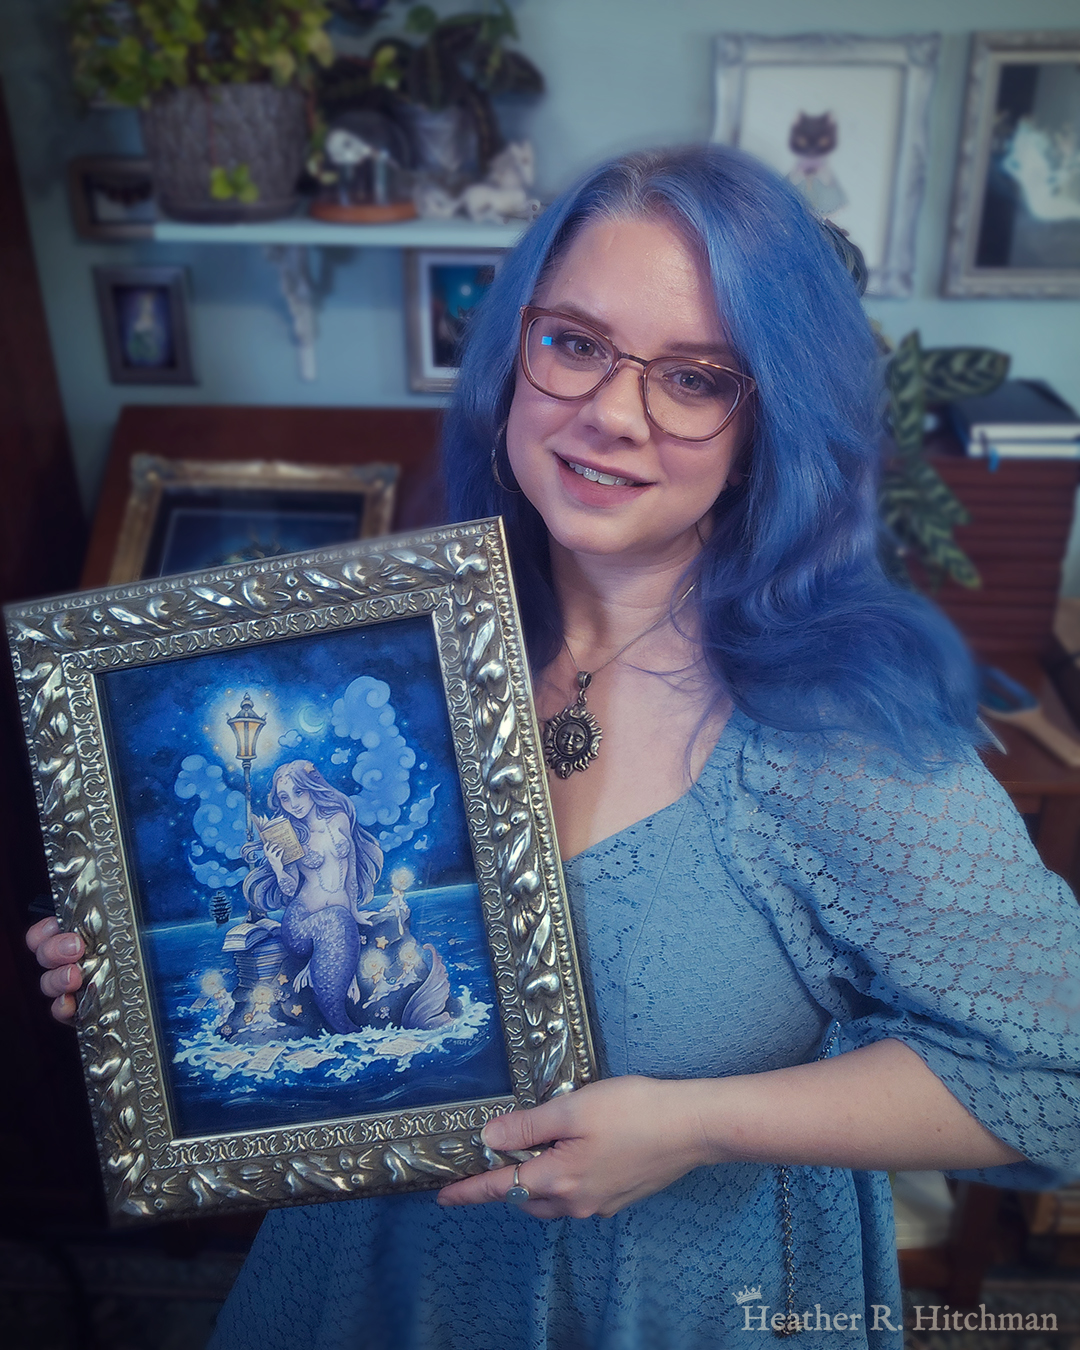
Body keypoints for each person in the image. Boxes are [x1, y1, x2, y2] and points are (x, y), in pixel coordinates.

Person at [28, 145, 1080, 1349]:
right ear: (514, 356)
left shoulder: (835, 735)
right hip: (360, 1285)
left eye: (693, 378)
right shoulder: (401, 652)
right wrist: (146, 983)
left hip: (659, 1307)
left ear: (772, 418)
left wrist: (701, 1125)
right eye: (576, 342)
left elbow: (1063, 1079)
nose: (612, 412)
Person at [242, 759, 384, 1035]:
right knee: (336, 920)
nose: (293, 803)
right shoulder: (289, 835)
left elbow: (351, 871)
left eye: (299, 792)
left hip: (339, 919)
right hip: (300, 924)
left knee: (339, 919)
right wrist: (277, 867)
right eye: (284, 798)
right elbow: (289, 887)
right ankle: (339, 1022)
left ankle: (338, 1007)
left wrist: (355, 912)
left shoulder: (339, 818)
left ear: (312, 787)